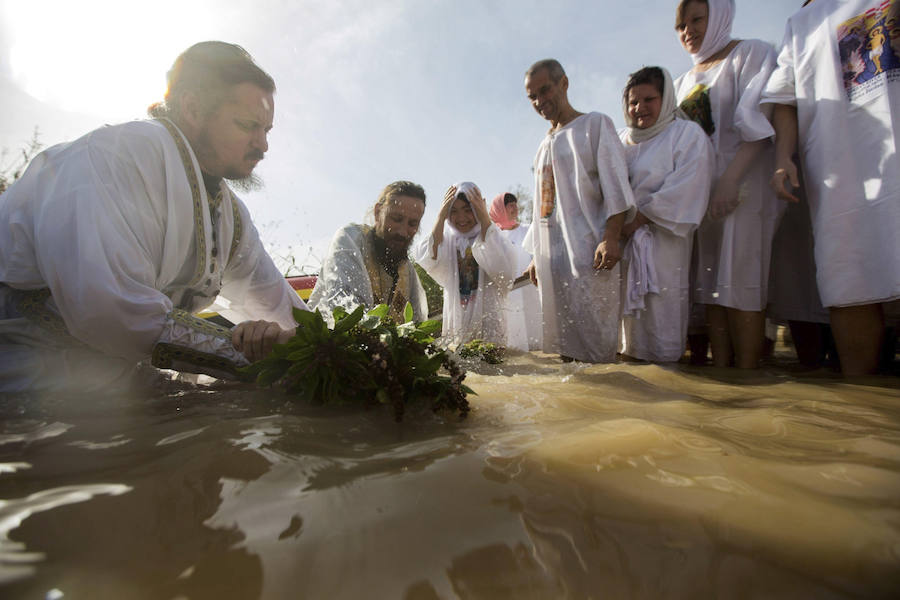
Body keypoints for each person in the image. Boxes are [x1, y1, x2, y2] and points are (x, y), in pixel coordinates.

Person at [0, 41, 305, 392]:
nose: (263, 145)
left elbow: (278, 305)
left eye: (266, 130)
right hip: (24, 367)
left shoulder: (230, 215)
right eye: (247, 124)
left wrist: (338, 350)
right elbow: (109, 314)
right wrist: (254, 357)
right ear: (192, 108)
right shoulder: (119, 156)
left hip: (108, 379)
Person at [764, 0, 899, 375]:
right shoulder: (802, 22)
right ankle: (862, 402)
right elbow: (783, 99)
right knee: (848, 283)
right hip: (838, 170)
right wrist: (783, 158)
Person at [673, 0, 783, 369]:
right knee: (712, 287)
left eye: (696, 19)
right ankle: (724, 375)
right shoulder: (681, 82)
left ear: (720, 15)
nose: (688, 30)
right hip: (703, 198)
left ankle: (749, 373)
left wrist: (731, 179)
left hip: (744, 187)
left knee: (742, 281)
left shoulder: (751, 53)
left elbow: (758, 121)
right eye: (681, 25)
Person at [523, 59, 636, 363]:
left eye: (545, 90)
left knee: (596, 345)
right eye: (532, 97)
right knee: (564, 346)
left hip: (590, 254)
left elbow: (615, 185)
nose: (540, 101)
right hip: (555, 260)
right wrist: (537, 255)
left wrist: (610, 237)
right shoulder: (543, 145)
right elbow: (542, 206)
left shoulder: (594, 125)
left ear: (564, 84)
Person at [618, 66, 714, 362]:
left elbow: (688, 185)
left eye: (649, 100)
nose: (640, 108)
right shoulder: (621, 141)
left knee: (662, 314)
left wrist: (641, 217)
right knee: (626, 332)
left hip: (664, 245)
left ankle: (666, 377)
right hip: (623, 246)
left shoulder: (685, 134)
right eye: (633, 102)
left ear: (666, 99)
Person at [308, 180, 429, 322]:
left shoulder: (407, 271)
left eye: (412, 224)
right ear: (378, 212)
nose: (403, 232)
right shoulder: (351, 239)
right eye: (396, 219)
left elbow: (417, 323)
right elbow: (346, 309)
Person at [414, 182, 517, 347]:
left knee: (493, 359)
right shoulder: (447, 239)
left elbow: (504, 273)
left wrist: (484, 217)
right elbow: (429, 257)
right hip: (457, 317)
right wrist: (440, 217)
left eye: (468, 210)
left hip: (488, 318)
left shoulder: (491, 234)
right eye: (453, 211)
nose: (461, 218)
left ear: (479, 209)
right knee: (460, 360)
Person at [488, 192, 542, 351]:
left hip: (530, 290)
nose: (514, 207)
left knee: (536, 334)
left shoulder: (529, 230)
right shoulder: (494, 237)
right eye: (509, 204)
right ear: (499, 209)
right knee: (514, 341)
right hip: (508, 296)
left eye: (514, 204)